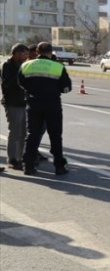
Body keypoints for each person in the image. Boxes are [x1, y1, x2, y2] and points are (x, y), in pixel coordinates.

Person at [18, 41, 71, 175]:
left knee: (32, 135)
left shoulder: (27, 65)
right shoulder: (57, 66)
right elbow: (66, 88)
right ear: (50, 52)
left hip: (33, 103)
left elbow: (21, 82)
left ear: (37, 51)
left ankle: (28, 166)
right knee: (55, 136)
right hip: (52, 104)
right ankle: (59, 166)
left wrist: (32, 90)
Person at [1, 43, 30, 169]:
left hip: (24, 102)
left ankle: (19, 157)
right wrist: (22, 71)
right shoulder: (7, 65)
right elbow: (8, 83)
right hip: (12, 102)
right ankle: (12, 158)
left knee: (23, 132)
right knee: (15, 131)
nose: (26, 56)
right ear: (16, 54)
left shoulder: (24, 65)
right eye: (24, 54)